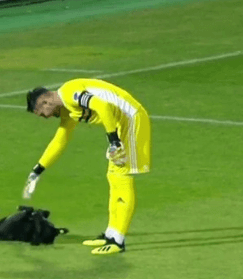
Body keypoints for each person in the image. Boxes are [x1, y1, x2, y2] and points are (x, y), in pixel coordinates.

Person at [23, 78, 151, 255]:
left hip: (130, 120)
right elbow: (60, 140)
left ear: (45, 101)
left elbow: (103, 106)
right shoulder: (68, 109)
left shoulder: (69, 94)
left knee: (121, 178)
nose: (45, 117)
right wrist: (38, 170)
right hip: (122, 124)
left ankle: (118, 241)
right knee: (113, 177)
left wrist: (114, 141)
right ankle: (111, 235)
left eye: (41, 112)